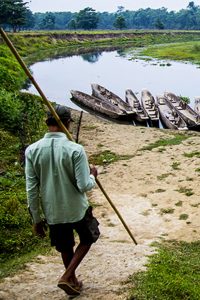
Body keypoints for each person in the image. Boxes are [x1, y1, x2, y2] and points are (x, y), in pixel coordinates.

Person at [25, 104, 100, 296]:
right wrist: (93, 175)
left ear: (46, 122)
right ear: (67, 123)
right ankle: (67, 276)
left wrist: (36, 219)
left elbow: (31, 189)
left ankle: (73, 281)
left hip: (53, 211)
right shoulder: (75, 149)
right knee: (89, 236)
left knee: (65, 245)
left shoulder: (32, 150)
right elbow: (84, 185)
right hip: (76, 208)